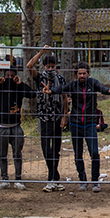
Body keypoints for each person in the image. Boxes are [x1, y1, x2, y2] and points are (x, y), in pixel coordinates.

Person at [47, 61, 110, 193]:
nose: (82, 75)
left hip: (90, 123)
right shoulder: (73, 85)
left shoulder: (93, 83)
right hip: (76, 124)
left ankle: (95, 181)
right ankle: (82, 180)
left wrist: (109, 90)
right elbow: (62, 89)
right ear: (76, 75)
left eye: (84, 73)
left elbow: (102, 89)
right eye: (79, 73)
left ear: (88, 74)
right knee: (78, 154)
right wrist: (50, 91)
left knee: (94, 152)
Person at [26, 46, 70, 192]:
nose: (50, 69)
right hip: (44, 117)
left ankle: (53, 179)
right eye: (48, 66)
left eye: (53, 66)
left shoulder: (60, 79)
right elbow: (29, 66)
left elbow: (64, 97)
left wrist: (65, 115)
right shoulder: (40, 78)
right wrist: (42, 52)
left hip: (57, 117)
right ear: (44, 66)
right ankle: (53, 176)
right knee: (46, 148)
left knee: (56, 148)